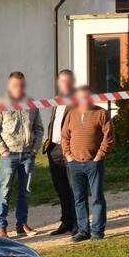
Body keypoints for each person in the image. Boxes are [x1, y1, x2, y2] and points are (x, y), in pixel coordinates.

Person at [0, 71, 44, 239]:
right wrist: (2, 149)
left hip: (28, 154)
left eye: (21, 85)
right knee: (5, 191)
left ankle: (22, 224)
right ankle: (1, 227)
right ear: (9, 86)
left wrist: (35, 149)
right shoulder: (0, 104)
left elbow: (39, 128)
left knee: (25, 191)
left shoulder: (31, 103)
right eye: (15, 85)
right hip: (9, 155)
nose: (18, 88)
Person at [62, 86, 114, 242]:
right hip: (74, 164)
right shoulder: (71, 114)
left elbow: (109, 138)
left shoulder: (101, 113)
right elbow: (65, 137)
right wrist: (68, 155)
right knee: (79, 198)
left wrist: (99, 156)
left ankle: (97, 232)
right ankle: (83, 231)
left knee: (97, 197)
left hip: (94, 163)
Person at [42, 70, 77, 236]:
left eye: (68, 81)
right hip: (54, 148)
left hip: (70, 148)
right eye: (62, 81)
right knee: (61, 188)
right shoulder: (56, 100)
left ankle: (78, 223)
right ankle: (66, 221)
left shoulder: (78, 100)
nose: (65, 84)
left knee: (74, 188)